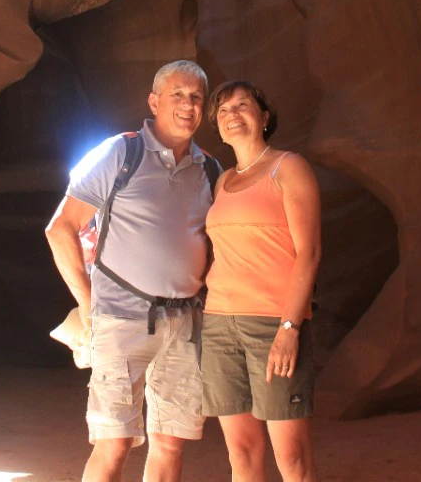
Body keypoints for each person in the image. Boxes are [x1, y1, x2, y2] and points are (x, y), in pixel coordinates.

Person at [45, 60, 216, 482]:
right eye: (178, 94)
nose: (188, 104)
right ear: (154, 102)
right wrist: (88, 304)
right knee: (114, 442)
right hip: (120, 319)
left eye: (196, 97)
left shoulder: (209, 169)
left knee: (170, 442)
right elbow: (60, 229)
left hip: (185, 322)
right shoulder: (120, 153)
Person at [201, 80, 321, 481]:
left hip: (272, 323)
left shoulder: (289, 167)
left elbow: (309, 253)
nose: (232, 114)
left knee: (292, 458)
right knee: (242, 453)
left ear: (264, 116)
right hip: (219, 324)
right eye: (223, 110)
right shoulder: (222, 181)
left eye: (242, 105)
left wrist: (290, 327)